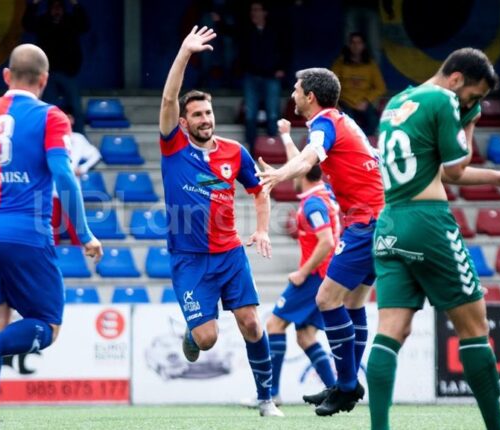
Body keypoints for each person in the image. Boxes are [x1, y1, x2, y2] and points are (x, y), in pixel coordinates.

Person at [366, 48, 500, 430]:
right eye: (474, 95)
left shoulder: (398, 101)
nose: (472, 103)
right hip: (428, 223)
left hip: (390, 222)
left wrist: (498, 176)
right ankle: (499, 427)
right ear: (457, 78)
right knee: (475, 327)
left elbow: (444, 171)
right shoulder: (445, 98)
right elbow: (456, 167)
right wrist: (471, 118)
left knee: (391, 330)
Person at [0, 44, 102, 430]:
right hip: (26, 231)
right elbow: (64, 177)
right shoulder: (51, 117)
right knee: (47, 323)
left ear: (6, 76)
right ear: (44, 81)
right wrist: (84, 234)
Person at [160, 26, 282, 417]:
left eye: (208, 112)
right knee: (207, 340)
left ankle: (266, 399)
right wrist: (184, 53)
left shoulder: (234, 152)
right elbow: (168, 96)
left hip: (229, 253)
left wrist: (261, 228)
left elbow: (259, 189)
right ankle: (194, 333)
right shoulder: (173, 146)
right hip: (190, 259)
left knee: (251, 322)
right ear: (183, 122)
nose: (205, 119)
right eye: (196, 114)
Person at [256, 68, 383, 417]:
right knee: (354, 303)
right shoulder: (343, 121)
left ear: (310, 96)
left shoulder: (323, 122)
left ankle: (345, 386)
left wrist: (279, 175)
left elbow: (311, 158)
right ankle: (347, 383)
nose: (292, 95)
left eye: (296, 90)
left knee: (327, 299)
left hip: (366, 222)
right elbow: (314, 157)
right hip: (379, 218)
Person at [263, 132, 339, 404]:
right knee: (306, 336)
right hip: (327, 276)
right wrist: (284, 135)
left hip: (316, 276)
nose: (292, 174)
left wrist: (302, 272)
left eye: (296, 171)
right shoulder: (323, 192)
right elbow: (300, 162)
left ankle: (270, 395)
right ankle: (337, 391)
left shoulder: (313, 203)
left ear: (303, 173)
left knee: (274, 323)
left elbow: (326, 241)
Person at [23, 0, 89, 133]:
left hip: (68, 73)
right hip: (48, 74)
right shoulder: (43, 22)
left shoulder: (70, 22)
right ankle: (49, 136)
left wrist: (76, 5)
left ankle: (80, 138)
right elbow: (27, 25)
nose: (57, 10)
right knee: (48, 108)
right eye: (54, 7)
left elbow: (85, 26)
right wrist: (34, 4)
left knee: (76, 107)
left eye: (59, 7)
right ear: (49, 9)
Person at [238, 0, 290, 151]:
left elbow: (286, 50)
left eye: (257, 10)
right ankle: (251, 152)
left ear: (264, 12)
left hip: (271, 77)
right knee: (250, 115)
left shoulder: (275, 30)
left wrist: (282, 68)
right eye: (252, 10)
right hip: (251, 76)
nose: (254, 13)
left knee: (273, 114)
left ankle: (271, 149)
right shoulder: (247, 30)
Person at [50, 106, 101, 245]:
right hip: (51, 189)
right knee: (51, 226)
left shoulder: (78, 139)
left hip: (71, 187)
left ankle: (81, 256)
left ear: (71, 120)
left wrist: (83, 168)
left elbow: (95, 155)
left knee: (75, 224)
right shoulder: (49, 137)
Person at [331, 32, 387, 136]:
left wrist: (366, 101)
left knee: (374, 124)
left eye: (359, 43)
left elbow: (381, 87)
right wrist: (336, 105)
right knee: (348, 126)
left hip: (364, 103)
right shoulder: (339, 63)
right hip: (345, 103)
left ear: (364, 45)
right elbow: (331, 86)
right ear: (348, 45)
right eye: (353, 43)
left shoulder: (371, 65)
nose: (356, 46)